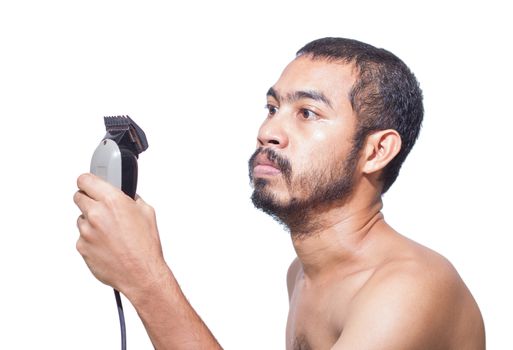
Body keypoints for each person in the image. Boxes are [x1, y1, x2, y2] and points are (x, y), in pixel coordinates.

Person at [74, 37, 485, 349]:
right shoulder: (303, 274)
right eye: (273, 108)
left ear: (376, 151)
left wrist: (144, 277)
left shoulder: (409, 287)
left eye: (307, 113)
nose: (267, 132)